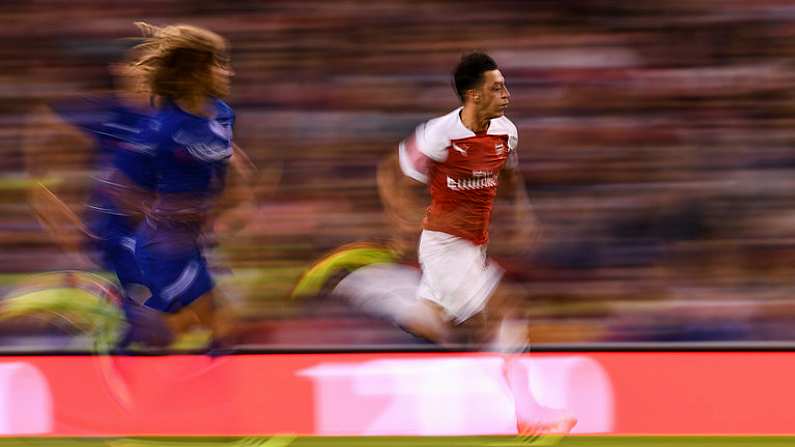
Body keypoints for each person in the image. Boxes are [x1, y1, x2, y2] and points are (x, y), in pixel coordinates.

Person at [373, 51, 576, 436]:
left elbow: (509, 173)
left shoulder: (506, 132)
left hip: (474, 246)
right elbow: (390, 172)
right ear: (473, 95)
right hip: (444, 244)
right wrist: (399, 218)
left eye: (505, 87)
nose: (507, 95)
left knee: (437, 324)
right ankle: (528, 414)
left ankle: (371, 285)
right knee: (507, 307)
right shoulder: (439, 133)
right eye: (496, 88)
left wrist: (521, 211)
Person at [129, 22, 238, 345]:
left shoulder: (223, 115)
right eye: (217, 64)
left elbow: (220, 165)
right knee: (211, 327)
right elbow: (121, 186)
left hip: (194, 243)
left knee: (203, 331)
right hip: (164, 247)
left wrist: (227, 199)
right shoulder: (162, 130)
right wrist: (174, 213)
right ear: (195, 73)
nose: (227, 72)